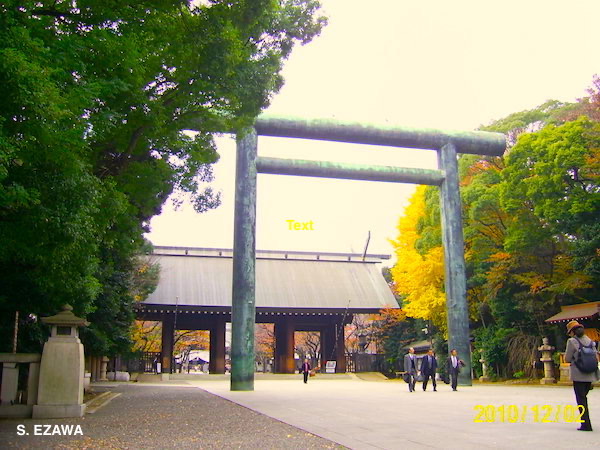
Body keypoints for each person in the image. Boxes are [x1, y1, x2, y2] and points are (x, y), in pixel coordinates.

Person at [564, 320, 600, 431]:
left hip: (578, 375)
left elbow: (567, 358)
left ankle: (586, 424)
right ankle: (586, 423)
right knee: (584, 398)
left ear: (572, 332)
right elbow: (595, 356)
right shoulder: (590, 341)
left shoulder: (572, 341)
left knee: (581, 400)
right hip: (590, 374)